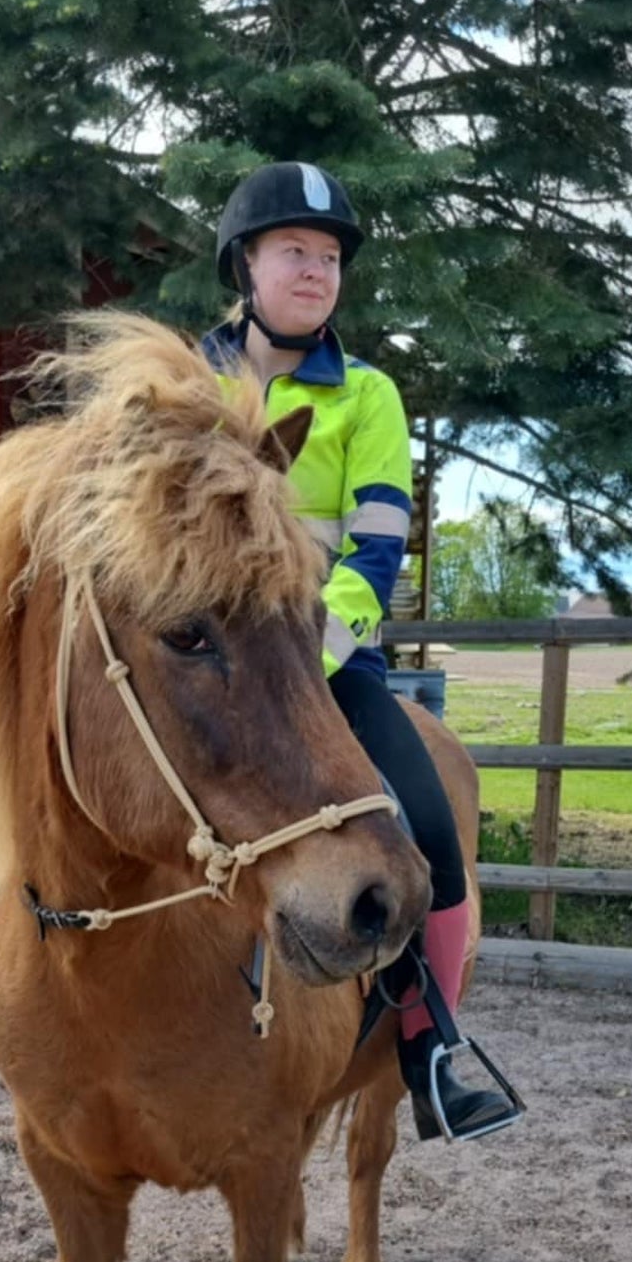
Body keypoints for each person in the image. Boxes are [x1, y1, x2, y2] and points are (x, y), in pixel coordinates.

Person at [202, 161, 521, 1141]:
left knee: (430, 830)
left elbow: (376, 550)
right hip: (197, 662)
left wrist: (304, 656)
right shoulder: (187, 379)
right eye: (295, 250)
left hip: (326, 665)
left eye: (330, 256)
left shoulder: (370, 396)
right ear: (245, 265)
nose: (316, 270)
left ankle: (432, 1046)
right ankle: (8, 993)